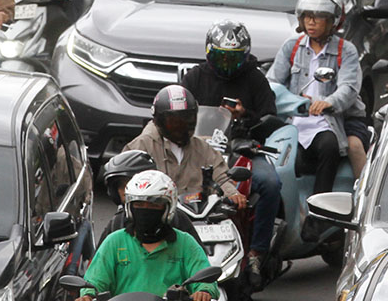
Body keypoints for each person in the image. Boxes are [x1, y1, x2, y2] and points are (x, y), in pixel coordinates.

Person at [181, 20, 281, 287]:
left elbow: (270, 116)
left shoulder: (255, 78)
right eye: (220, 57)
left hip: (241, 149)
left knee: (270, 183)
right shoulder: (193, 78)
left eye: (233, 58)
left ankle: (257, 251)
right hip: (198, 151)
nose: (226, 64)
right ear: (208, 52)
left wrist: (245, 115)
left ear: (245, 56)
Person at [266, 0, 369, 191]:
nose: (311, 22)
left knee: (333, 147)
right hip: (296, 119)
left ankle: (326, 206)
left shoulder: (346, 50)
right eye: (307, 16)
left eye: (319, 17)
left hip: (333, 119)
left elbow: (348, 88)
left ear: (332, 21)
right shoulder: (291, 47)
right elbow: (273, 83)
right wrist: (293, 103)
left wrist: (328, 102)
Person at [80, 170, 216, 301]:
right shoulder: (114, 242)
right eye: (139, 204)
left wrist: (203, 291)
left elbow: (204, 278)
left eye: (154, 205)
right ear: (130, 208)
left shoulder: (185, 243)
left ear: (168, 208)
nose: (145, 210)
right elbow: (94, 281)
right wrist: (88, 295)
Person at [125, 85, 248, 209]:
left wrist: (232, 193)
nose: (181, 127)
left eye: (187, 119)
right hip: (157, 217)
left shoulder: (202, 147)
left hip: (200, 215)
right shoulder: (141, 146)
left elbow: (221, 176)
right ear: (159, 121)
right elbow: (124, 182)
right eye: (173, 122)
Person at [96, 149, 201, 247]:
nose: (127, 191)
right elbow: (98, 264)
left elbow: (200, 262)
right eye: (122, 186)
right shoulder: (117, 224)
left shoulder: (179, 221)